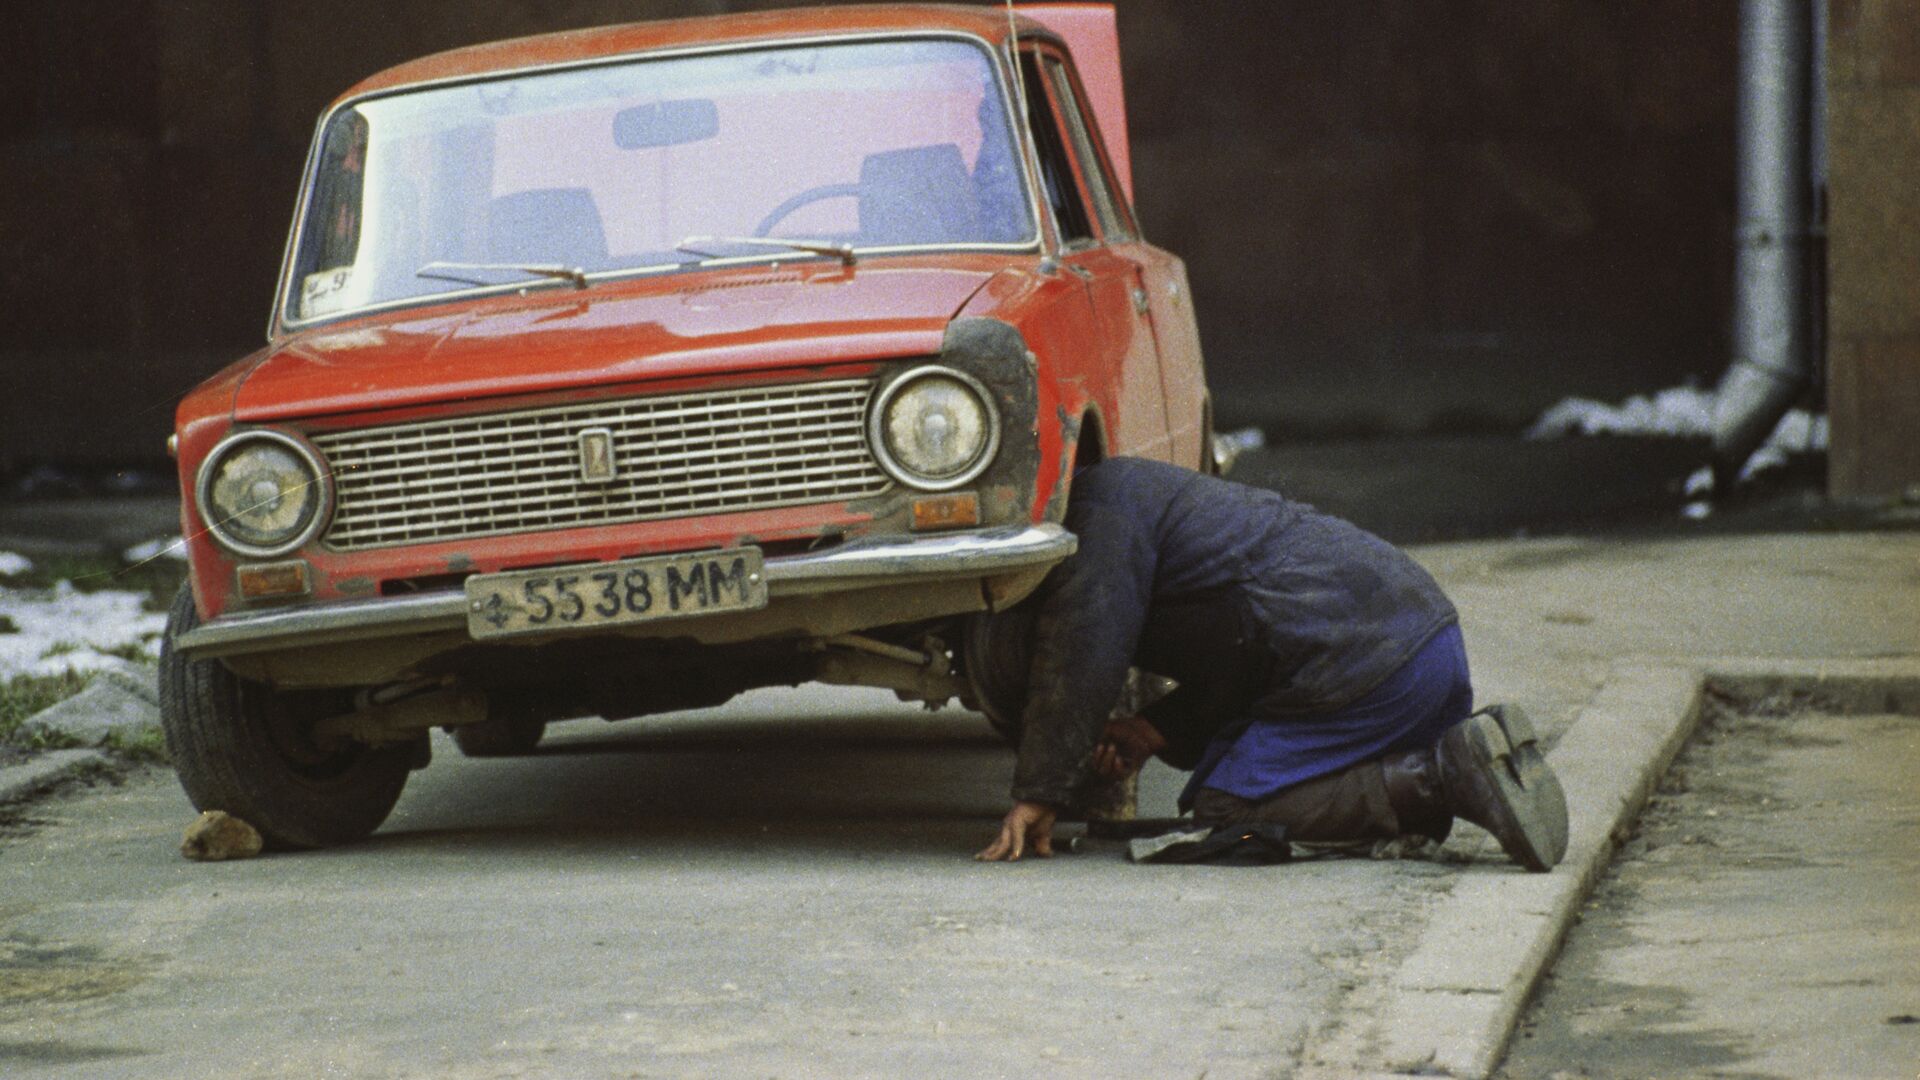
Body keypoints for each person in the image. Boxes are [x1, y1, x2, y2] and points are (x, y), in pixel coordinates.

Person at [975, 457, 1568, 868]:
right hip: (1420, 642)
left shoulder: (1096, 518)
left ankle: (1438, 780)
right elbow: (1239, 640)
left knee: (1230, 812)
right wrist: (1152, 730)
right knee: (1244, 772)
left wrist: (1039, 792)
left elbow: (1084, 647)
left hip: (1373, 662)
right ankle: (1442, 763)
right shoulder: (1138, 493)